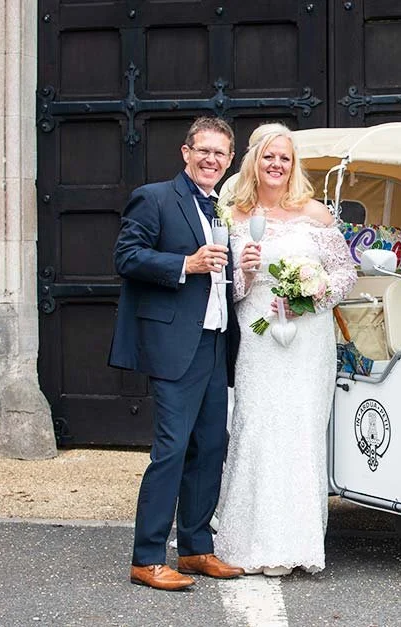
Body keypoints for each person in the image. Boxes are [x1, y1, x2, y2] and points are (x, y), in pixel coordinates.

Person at [213, 123, 357, 576]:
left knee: (298, 433)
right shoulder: (232, 215)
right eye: (269, 156)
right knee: (255, 425)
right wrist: (249, 274)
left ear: (293, 166)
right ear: (254, 160)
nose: (277, 165)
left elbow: (345, 274)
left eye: (285, 158)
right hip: (257, 330)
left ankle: (295, 543)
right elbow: (228, 290)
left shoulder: (315, 214)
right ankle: (248, 541)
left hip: (306, 336)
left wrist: (305, 299)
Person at [108, 116, 245, 591]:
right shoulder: (156, 197)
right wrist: (185, 264)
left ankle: (195, 548)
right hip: (174, 346)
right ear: (185, 152)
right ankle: (147, 558)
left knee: (211, 447)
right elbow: (126, 257)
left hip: (215, 342)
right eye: (203, 150)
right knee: (170, 450)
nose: (211, 160)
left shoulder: (223, 207)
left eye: (220, 154)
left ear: (229, 161)